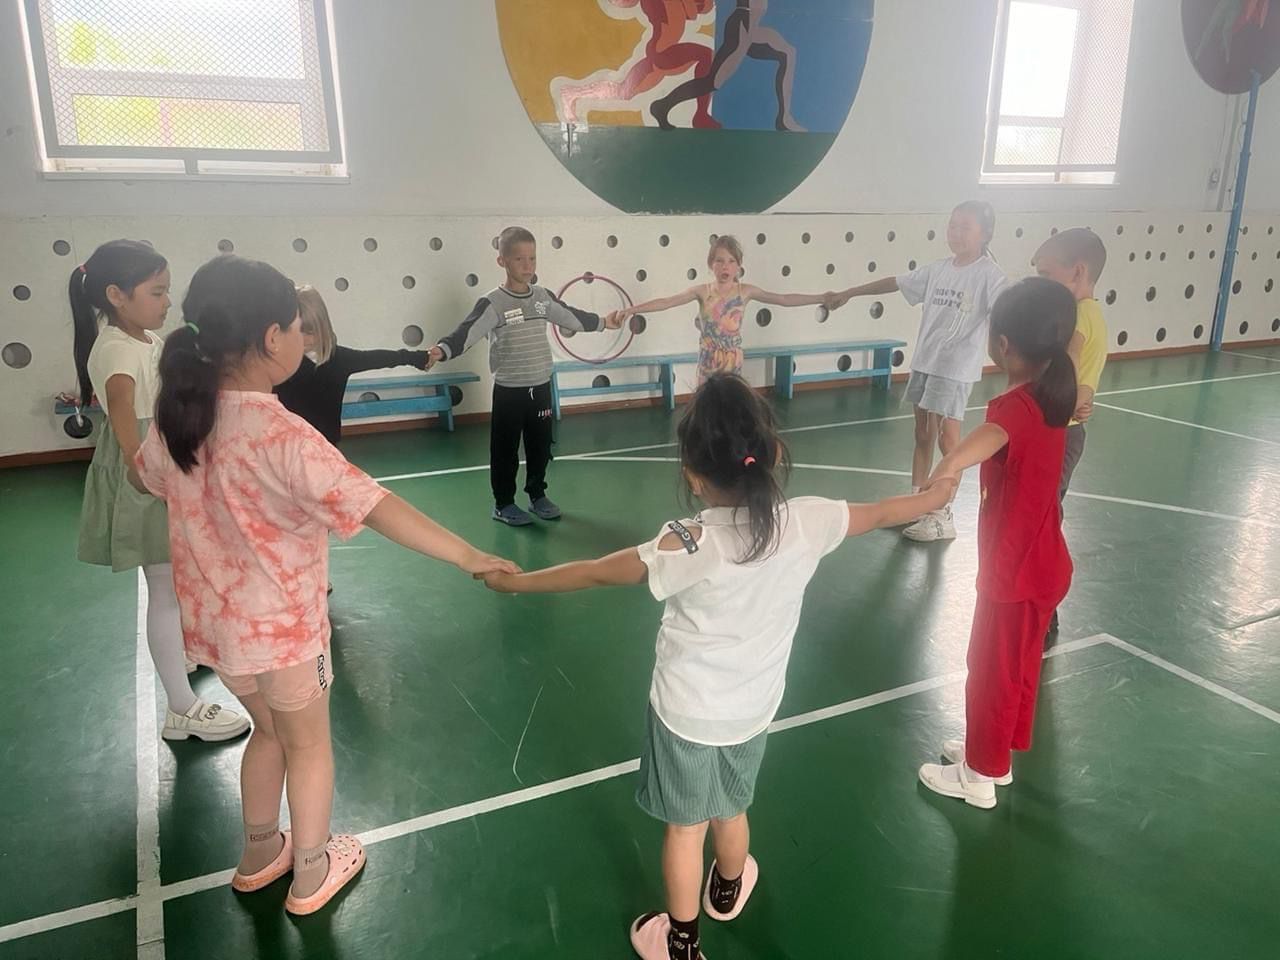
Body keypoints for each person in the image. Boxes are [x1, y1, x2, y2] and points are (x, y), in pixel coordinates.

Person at [480, 374, 954, 960]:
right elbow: (884, 511)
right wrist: (937, 493)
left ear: (692, 475)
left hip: (685, 715)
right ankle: (728, 887)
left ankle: (682, 944)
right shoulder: (808, 520)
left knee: (686, 830)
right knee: (732, 807)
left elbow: (597, 571)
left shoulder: (688, 543)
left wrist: (518, 583)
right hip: (753, 710)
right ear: (772, 453)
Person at [133, 254, 518, 915]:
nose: (301, 338)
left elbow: (146, 478)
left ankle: (260, 854)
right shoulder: (284, 433)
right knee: (308, 745)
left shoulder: (180, 419)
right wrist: (467, 555)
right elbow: (376, 505)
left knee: (268, 734)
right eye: (295, 327)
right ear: (270, 339)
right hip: (284, 635)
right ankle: (311, 871)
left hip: (221, 631)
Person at [70, 239, 248, 741]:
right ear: (116, 295)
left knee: (174, 584)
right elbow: (122, 409)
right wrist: (142, 468)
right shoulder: (116, 348)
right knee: (165, 589)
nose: (167, 302)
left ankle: (181, 658)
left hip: (162, 462)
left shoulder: (143, 338)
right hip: (148, 472)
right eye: (157, 292)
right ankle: (181, 709)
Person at [916, 277, 1077, 810]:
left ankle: (979, 775)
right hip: (1043, 564)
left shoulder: (1016, 407)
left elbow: (987, 440)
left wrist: (948, 464)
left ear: (1003, 345)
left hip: (1014, 573)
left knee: (989, 670)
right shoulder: (1052, 398)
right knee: (1017, 668)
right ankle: (996, 752)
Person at [829, 201, 1007, 542]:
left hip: (954, 369)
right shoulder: (938, 269)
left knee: (948, 441)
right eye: (952, 225)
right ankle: (916, 504)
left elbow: (1007, 308)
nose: (956, 233)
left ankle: (942, 514)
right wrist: (850, 293)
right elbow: (895, 282)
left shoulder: (990, 275)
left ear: (985, 234)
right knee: (923, 434)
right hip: (926, 362)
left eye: (965, 227)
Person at [426, 226, 623, 526]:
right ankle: (503, 503)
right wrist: (443, 350)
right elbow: (467, 332)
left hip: (540, 387)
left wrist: (603, 322)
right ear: (502, 261)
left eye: (532, 258)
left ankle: (537, 494)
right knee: (505, 450)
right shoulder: (493, 302)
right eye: (519, 259)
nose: (527, 265)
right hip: (510, 391)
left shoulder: (542, 298)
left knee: (540, 446)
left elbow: (570, 316)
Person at [618, 234, 834, 386]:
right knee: (706, 410)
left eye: (731, 261)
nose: (725, 266)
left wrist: (821, 298)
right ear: (711, 264)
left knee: (731, 409)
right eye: (719, 261)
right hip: (708, 360)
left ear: (738, 266)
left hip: (733, 361)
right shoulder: (702, 291)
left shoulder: (745, 291)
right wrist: (631, 310)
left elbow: (784, 299)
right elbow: (666, 302)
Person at [1031, 228, 1109, 635]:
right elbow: (1088, 374)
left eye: (1046, 274)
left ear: (1077, 272)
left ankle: (1045, 610)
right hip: (1068, 432)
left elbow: (1072, 358)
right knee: (1045, 515)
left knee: (1044, 519)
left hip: (1062, 434)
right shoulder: (1095, 316)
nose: (1041, 282)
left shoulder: (1079, 315)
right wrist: (1082, 394)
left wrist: (1064, 395)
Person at [274, 284, 430, 446]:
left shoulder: (339, 359)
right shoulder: (278, 362)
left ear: (321, 328)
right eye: (295, 332)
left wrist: (419, 357)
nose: (303, 339)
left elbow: (378, 358)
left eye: (309, 332)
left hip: (326, 445)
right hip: (287, 444)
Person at [556, 0, 717, 128]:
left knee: (623, 92)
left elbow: (699, 9)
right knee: (706, 56)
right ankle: (700, 115)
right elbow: (692, 9)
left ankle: (572, 93)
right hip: (662, 53)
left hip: (658, 55)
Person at [650, 0, 804, 131]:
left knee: (788, 53)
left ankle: (783, 118)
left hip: (752, 26)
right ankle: (662, 105)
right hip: (742, 24)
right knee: (713, 82)